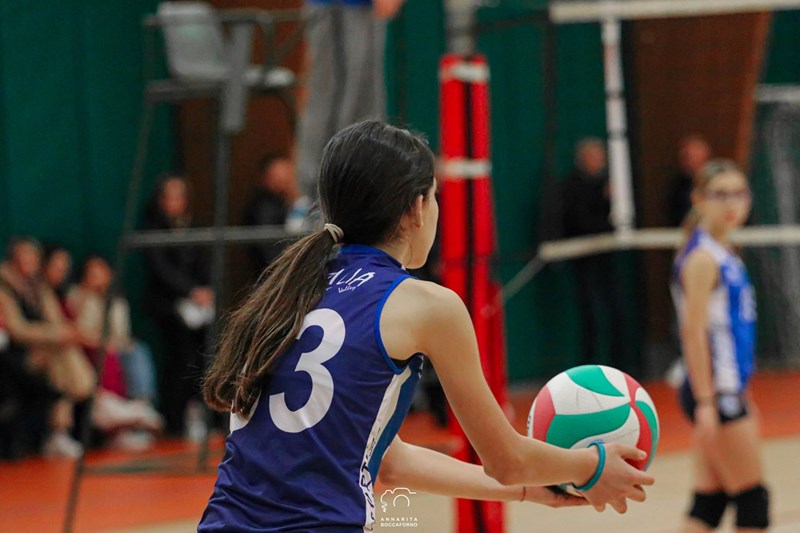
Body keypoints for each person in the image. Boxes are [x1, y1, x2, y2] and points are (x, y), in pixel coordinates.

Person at [198, 121, 653, 532]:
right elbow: (507, 460)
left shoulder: (288, 291)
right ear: (416, 208)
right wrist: (593, 464)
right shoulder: (425, 304)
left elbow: (389, 460)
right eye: (435, 196)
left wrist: (526, 491)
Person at [670, 160, 769, 532]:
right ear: (698, 199)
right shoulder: (702, 258)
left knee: (709, 503)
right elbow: (692, 332)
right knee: (753, 501)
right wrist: (708, 401)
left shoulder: (723, 250)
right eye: (721, 194)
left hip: (726, 388)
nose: (732, 203)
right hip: (715, 390)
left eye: (739, 193)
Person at [295, 0, 405, 206]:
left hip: (363, 10)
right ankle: (313, 199)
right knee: (334, 100)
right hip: (336, 7)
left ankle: (360, 193)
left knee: (365, 106)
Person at [0, 237, 95, 458]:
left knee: (64, 353)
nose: (30, 261)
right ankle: (59, 432)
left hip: (45, 349)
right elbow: (18, 330)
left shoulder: (40, 287)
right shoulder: (4, 288)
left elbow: (55, 319)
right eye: (25, 255)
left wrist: (70, 332)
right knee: (59, 359)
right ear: (13, 258)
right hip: (17, 354)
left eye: (33, 256)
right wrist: (58, 335)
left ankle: (61, 430)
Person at [142, 175, 213, 436]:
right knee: (180, 360)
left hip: (199, 306)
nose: (174, 202)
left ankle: (202, 412)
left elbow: (204, 261)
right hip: (168, 306)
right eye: (169, 196)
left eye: (179, 196)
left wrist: (204, 289)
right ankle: (174, 419)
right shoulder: (153, 228)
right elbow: (161, 269)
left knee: (204, 358)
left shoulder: (193, 225)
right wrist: (189, 290)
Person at [562, 138, 626, 367]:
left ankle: (619, 364)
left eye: (600, 157)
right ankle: (589, 366)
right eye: (592, 157)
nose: (597, 161)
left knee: (615, 310)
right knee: (590, 314)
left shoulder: (609, 184)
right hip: (584, 262)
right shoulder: (573, 186)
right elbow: (580, 222)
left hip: (607, 261)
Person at [243, 155, 303, 272]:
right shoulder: (264, 207)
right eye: (280, 175)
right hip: (274, 271)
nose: (287, 180)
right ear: (267, 178)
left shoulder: (285, 203)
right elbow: (270, 251)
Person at [668, 135, 712, 227]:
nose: (685, 160)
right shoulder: (679, 185)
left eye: (689, 155)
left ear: (704, 156)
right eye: (684, 156)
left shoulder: (717, 181)